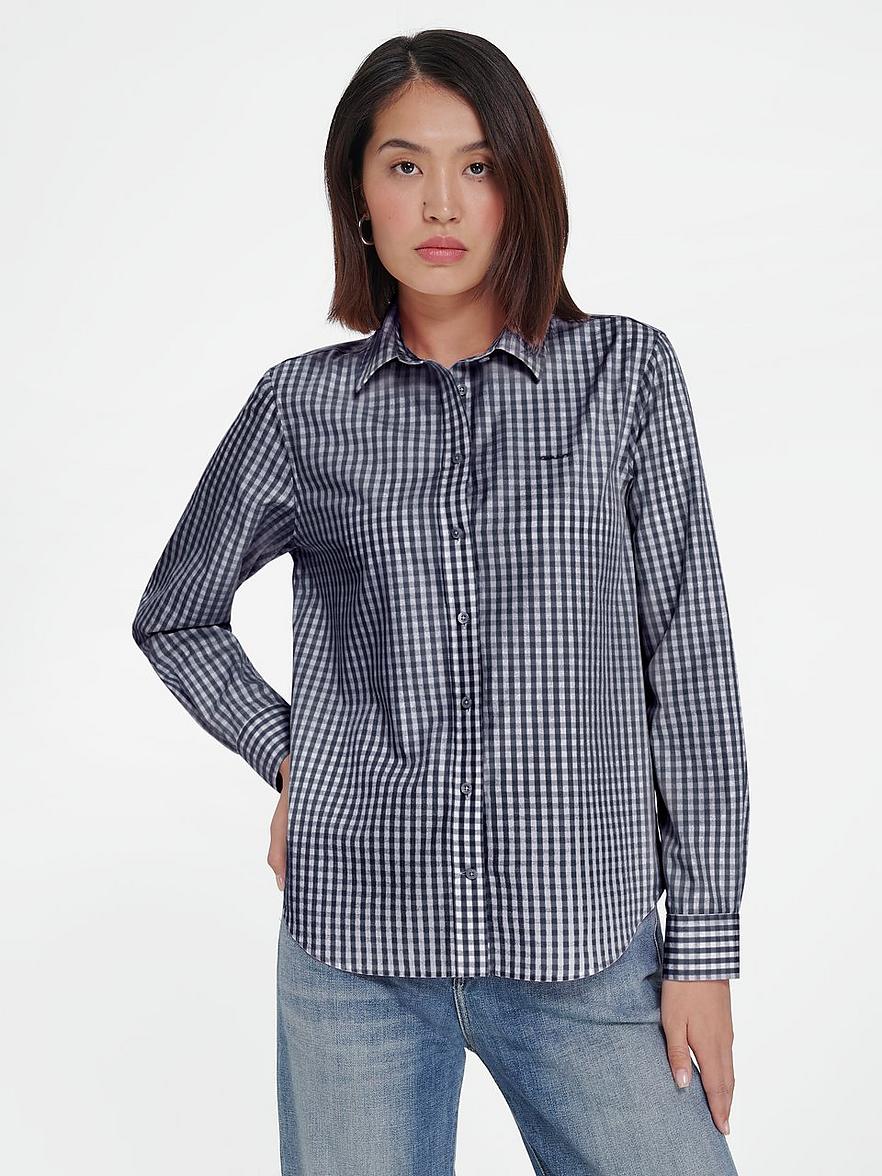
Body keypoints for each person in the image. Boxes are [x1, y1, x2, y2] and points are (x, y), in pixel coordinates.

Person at [132, 28, 749, 1176]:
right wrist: (295, 758)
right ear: (357, 197)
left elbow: (691, 667)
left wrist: (704, 948)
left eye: (477, 166)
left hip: (583, 943)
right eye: (404, 165)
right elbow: (177, 613)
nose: (441, 203)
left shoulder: (627, 378)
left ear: (523, 187)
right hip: (355, 954)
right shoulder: (303, 410)